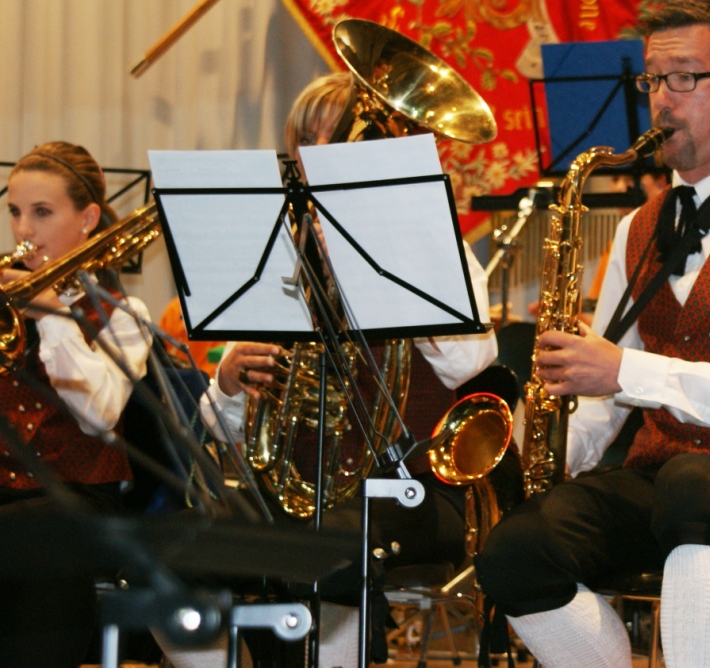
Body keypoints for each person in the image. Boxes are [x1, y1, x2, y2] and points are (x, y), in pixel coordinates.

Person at [475, 0, 710, 668]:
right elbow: (603, 393)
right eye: (653, 80)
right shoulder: (637, 228)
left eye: (684, 77)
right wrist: (543, 456)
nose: (661, 100)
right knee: (514, 550)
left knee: (693, 487)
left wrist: (623, 371)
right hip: (666, 481)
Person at [163, 72, 503, 668]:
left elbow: (471, 361)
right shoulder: (279, 251)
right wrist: (230, 381)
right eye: (308, 140)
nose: (320, 153)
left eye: (340, 139)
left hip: (413, 486)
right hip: (300, 488)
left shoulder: (425, 239)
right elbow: (223, 428)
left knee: (326, 547)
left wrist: (377, 267)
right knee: (167, 555)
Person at [0, 141, 151, 667]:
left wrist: (52, 317)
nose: (23, 230)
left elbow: (98, 415)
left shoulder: (124, 313)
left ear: (88, 219)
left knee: (42, 538)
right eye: (15, 212)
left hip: (79, 497)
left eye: (42, 212)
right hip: (8, 498)